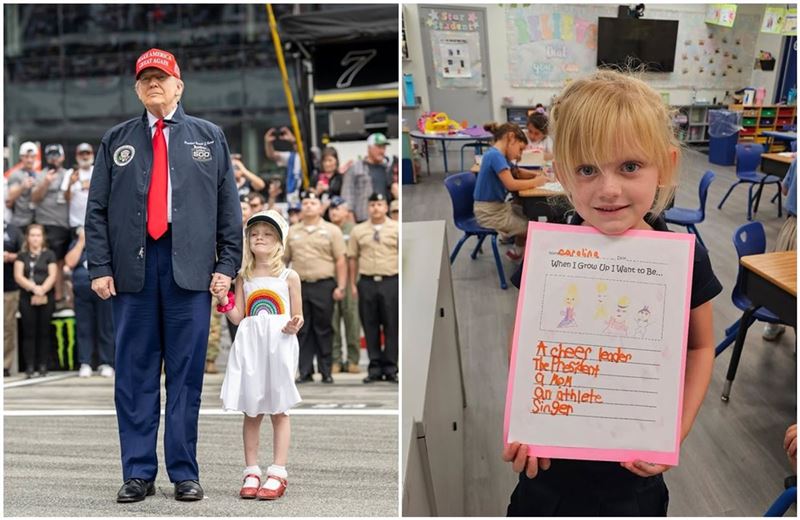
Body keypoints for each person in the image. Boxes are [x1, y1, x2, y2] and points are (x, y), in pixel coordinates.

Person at [502, 70, 722, 516]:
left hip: (634, 481)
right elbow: (528, 343)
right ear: (562, 174)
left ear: (666, 165)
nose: (608, 189)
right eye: (587, 169)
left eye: (630, 166)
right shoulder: (548, 255)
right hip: (548, 477)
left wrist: (675, 431)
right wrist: (523, 419)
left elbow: (700, 346)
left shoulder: (686, 258)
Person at [85, 48, 242, 503]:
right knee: (133, 376)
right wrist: (100, 266)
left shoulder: (208, 138)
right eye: (146, 78)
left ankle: (183, 471)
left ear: (179, 85)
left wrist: (226, 265)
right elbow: (96, 209)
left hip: (189, 271)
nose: (154, 84)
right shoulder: (117, 140)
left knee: (186, 375)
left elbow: (228, 209)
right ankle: (137, 472)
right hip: (132, 270)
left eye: (162, 77)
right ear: (137, 88)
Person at [216, 210, 302, 501]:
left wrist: (294, 324)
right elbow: (238, 317)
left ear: (279, 241)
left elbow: (297, 314)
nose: (260, 238)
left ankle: (278, 471)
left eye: (267, 234)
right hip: (251, 344)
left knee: (279, 408)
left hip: (279, 343)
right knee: (251, 409)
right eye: (255, 234)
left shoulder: (290, 276)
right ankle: (251, 470)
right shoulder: (244, 277)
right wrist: (222, 298)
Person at [284, 191, 347, 384]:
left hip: (324, 284)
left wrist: (341, 286)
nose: (309, 206)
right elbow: (284, 259)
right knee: (302, 328)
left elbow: (340, 260)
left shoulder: (331, 230)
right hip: (300, 285)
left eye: (313, 203)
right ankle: (305, 370)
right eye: (305, 203)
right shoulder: (292, 231)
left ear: (321, 207)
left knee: (324, 328)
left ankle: (326, 370)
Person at [473, 122, 547, 262]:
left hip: (495, 208)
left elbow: (517, 172)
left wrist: (536, 175)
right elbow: (511, 184)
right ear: (511, 137)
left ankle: (516, 249)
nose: (519, 155)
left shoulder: (499, 155)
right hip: (489, 213)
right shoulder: (495, 156)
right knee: (530, 227)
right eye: (520, 149)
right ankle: (523, 258)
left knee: (524, 212)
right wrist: (537, 182)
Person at [348, 193, 399, 383]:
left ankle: (391, 367)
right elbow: (352, 257)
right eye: (372, 204)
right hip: (367, 281)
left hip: (391, 280)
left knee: (392, 325)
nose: (376, 208)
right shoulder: (358, 230)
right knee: (370, 325)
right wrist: (353, 283)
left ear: (386, 207)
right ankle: (374, 367)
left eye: (379, 204)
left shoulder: (396, 229)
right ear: (367, 207)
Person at [64, 227, 114, 378]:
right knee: (84, 327)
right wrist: (81, 242)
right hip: (82, 290)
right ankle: (85, 362)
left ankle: (106, 362)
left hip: (104, 290)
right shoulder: (76, 243)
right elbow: (69, 262)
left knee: (106, 326)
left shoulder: (105, 242)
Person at [13, 224, 57, 378]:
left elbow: (52, 275)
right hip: (27, 297)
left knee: (44, 331)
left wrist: (42, 289)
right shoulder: (21, 256)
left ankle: (43, 364)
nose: (35, 238)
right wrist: (33, 288)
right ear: (27, 237)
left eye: (38, 235)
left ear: (43, 237)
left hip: (46, 296)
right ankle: (30, 366)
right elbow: (18, 276)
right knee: (29, 332)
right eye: (32, 235)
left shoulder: (49, 254)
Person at [32, 144, 72, 305]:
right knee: (43, 262)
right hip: (43, 224)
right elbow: (34, 198)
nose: (53, 159)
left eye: (56, 155)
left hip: (62, 225)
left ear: (62, 157)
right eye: (50, 156)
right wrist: (45, 183)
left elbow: (71, 198)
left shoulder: (68, 174)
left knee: (60, 263)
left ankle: (59, 297)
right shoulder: (39, 175)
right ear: (46, 158)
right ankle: (46, 296)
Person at [763, 158, 796, 341]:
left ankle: (773, 325)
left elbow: (784, 190)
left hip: (791, 226)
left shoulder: (797, 160)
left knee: (780, 279)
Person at [328, 196, 362, 374]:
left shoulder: (354, 230)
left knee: (352, 320)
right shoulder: (326, 229)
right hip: (331, 278)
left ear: (346, 211)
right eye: (332, 209)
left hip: (350, 280)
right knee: (332, 321)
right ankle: (335, 359)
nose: (334, 212)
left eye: (338, 208)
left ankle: (353, 360)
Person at [341, 133, 397, 222]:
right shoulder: (355, 168)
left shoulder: (387, 168)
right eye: (378, 147)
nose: (382, 151)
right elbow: (347, 195)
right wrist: (351, 221)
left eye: (384, 147)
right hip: (362, 219)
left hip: (385, 220)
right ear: (369, 148)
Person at [62, 143, 95, 235]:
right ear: (77, 156)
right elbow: (67, 199)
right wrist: (70, 184)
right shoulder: (70, 173)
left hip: (95, 221)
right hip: (76, 223)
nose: (85, 156)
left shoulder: (98, 171)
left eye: (87, 153)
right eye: (81, 154)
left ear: (92, 155)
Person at [4, 219, 23, 377]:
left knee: (8, 327)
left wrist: (10, 256)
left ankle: (5, 365)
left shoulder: (13, 230)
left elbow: (24, 254)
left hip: (9, 287)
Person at [265, 127, 302, 204]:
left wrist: (293, 140)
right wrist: (268, 143)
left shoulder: (311, 155)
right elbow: (272, 155)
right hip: (292, 194)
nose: (296, 144)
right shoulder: (292, 156)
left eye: (298, 141)